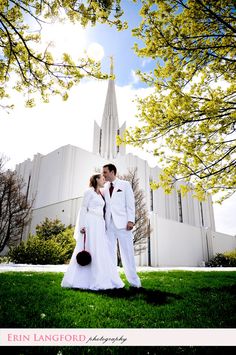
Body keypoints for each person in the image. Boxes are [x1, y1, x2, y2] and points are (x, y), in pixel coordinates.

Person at [61, 173, 124, 290]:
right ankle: (80, 279)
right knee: (89, 247)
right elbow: (84, 208)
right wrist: (82, 225)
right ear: (96, 179)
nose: (104, 180)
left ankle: (102, 277)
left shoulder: (101, 193)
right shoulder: (88, 192)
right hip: (90, 222)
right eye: (102, 178)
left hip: (99, 223)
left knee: (99, 248)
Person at [102, 164, 141, 289]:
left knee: (127, 253)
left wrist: (131, 220)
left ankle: (135, 283)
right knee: (110, 254)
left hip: (124, 225)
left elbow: (130, 204)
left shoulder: (125, 185)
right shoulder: (104, 187)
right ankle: (113, 281)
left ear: (112, 172)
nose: (103, 175)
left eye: (105, 172)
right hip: (109, 225)